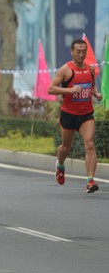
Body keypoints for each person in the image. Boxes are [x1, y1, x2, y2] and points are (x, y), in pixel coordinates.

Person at [48, 39, 103, 193]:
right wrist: (70, 91)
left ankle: (90, 181)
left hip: (86, 114)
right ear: (71, 52)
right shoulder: (66, 70)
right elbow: (51, 89)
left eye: (83, 51)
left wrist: (96, 93)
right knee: (66, 147)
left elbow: (91, 86)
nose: (81, 54)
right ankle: (60, 165)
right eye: (78, 51)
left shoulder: (90, 69)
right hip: (68, 114)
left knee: (90, 144)